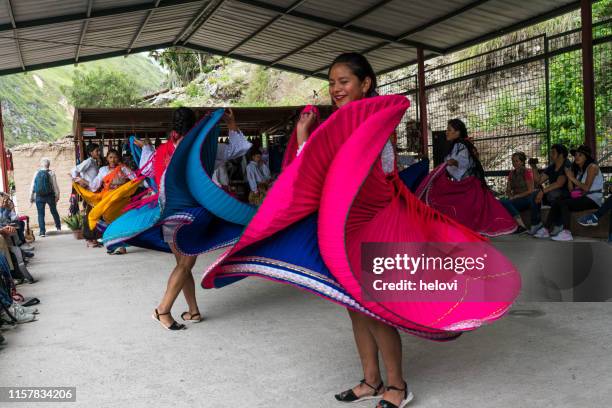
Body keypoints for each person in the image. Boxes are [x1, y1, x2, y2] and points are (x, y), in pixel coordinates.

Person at [202, 54, 518, 408]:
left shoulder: (370, 125)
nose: (336, 89)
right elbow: (317, 178)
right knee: (353, 306)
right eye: (332, 82)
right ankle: (371, 380)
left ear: (365, 83)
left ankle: (397, 387)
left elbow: (339, 177)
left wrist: (306, 139)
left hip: (373, 225)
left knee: (374, 307)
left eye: (344, 81)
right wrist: (308, 139)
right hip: (345, 227)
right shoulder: (343, 124)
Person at [153, 107, 251, 331]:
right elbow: (238, 149)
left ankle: (193, 311)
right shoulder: (203, 150)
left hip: (169, 213)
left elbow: (157, 183)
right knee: (186, 263)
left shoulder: (163, 151)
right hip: (192, 215)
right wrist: (231, 124)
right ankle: (162, 310)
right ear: (197, 126)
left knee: (182, 264)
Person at [415, 119, 517, 236]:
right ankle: (515, 224)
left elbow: (461, 162)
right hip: (472, 183)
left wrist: (450, 163)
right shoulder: (462, 144)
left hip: (469, 184)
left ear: (458, 132)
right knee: (488, 208)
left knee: (478, 208)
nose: (446, 132)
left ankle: (515, 224)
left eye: (449, 130)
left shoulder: (460, 145)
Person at [538, 145, 604, 241]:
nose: (576, 157)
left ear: (587, 157)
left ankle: (566, 232)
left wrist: (571, 177)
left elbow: (586, 187)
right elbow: (571, 191)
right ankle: (546, 229)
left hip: (593, 199)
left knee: (564, 203)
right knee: (559, 200)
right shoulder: (579, 170)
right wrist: (570, 178)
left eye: (580, 155)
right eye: (576, 155)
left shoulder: (592, 167)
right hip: (583, 197)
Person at [529, 144, 569, 236]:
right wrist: (534, 167)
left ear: (561, 154)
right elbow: (539, 180)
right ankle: (536, 223)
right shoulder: (552, 166)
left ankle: (559, 224)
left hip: (565, 194)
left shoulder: (567, 164)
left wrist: (542, 192)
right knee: (534, 194)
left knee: (555, 195)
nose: (551, 155)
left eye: (553, 153)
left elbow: (560, 183)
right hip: (552, 193)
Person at [71, 143, 102, 247]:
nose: (99, 152)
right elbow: (75, 170)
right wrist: (79, 182)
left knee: (94, 215)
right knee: (89, 215)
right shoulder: (88, 161)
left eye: (99, 150)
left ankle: (93, 238)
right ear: (91, 152)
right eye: (96, 151)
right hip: (89, 193)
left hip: (94, 192)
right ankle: (89, 239)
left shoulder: (95, 162)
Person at [500, 152, 534, 233]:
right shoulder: (511, 173)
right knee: (502, 202)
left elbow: (530, 190)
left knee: (507, 203)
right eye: (513, 161)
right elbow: (508, 190)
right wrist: (510, 195)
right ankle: (518, 226)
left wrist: (516, 196)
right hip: (515, 199)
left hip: (527, 198)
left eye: (516, 161)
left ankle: (522, 226)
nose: (514, 163)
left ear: (522, 162)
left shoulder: (527, 172)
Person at [29, 158, 61, 237]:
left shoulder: (36, 172)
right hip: (50, 195)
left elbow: (32, 186)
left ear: (41, 164)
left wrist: (31, 197)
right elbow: (55, 186)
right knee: (54, 211)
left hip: (39, 196)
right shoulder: (51, 173)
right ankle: (58, 227)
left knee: (40, 214)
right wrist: (57, 195)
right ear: (48, 165)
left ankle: (42, 232)